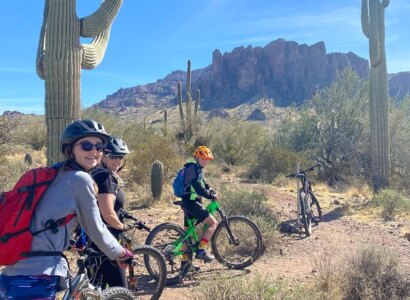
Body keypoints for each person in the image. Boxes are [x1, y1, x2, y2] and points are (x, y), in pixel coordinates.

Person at [0, 119, 134, 300]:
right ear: (70, 149)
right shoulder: (80, 179)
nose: (94, 151)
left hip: (10, 273)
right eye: (86, 145)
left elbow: (41, 221)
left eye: (99, 146)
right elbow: (96, 229)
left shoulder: (49, 176)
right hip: (37, 277)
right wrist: (121, 253)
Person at [87, 136, 131, 289]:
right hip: (107, 243)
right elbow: (108, 215)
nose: (118, 161)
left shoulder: (96, 173)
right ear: (103, 156)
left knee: (97, 290)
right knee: (121, 291)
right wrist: (123, 227)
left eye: (120, 156)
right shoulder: (105, 178)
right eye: (113, 156)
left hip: (94, 241)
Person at [180, 146, 218, 263]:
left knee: (186, 234)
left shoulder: (197, 169)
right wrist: (210, 196)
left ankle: (184, 263)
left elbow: (203, 184)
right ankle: (201, 250)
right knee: (213, 223)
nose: (205, 161)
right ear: (196, 157)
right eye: (203, 158)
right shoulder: (192, 168)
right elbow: (197, 186)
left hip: (188, 202)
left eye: (207, 159)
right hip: (191, 203)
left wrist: (210, 189)